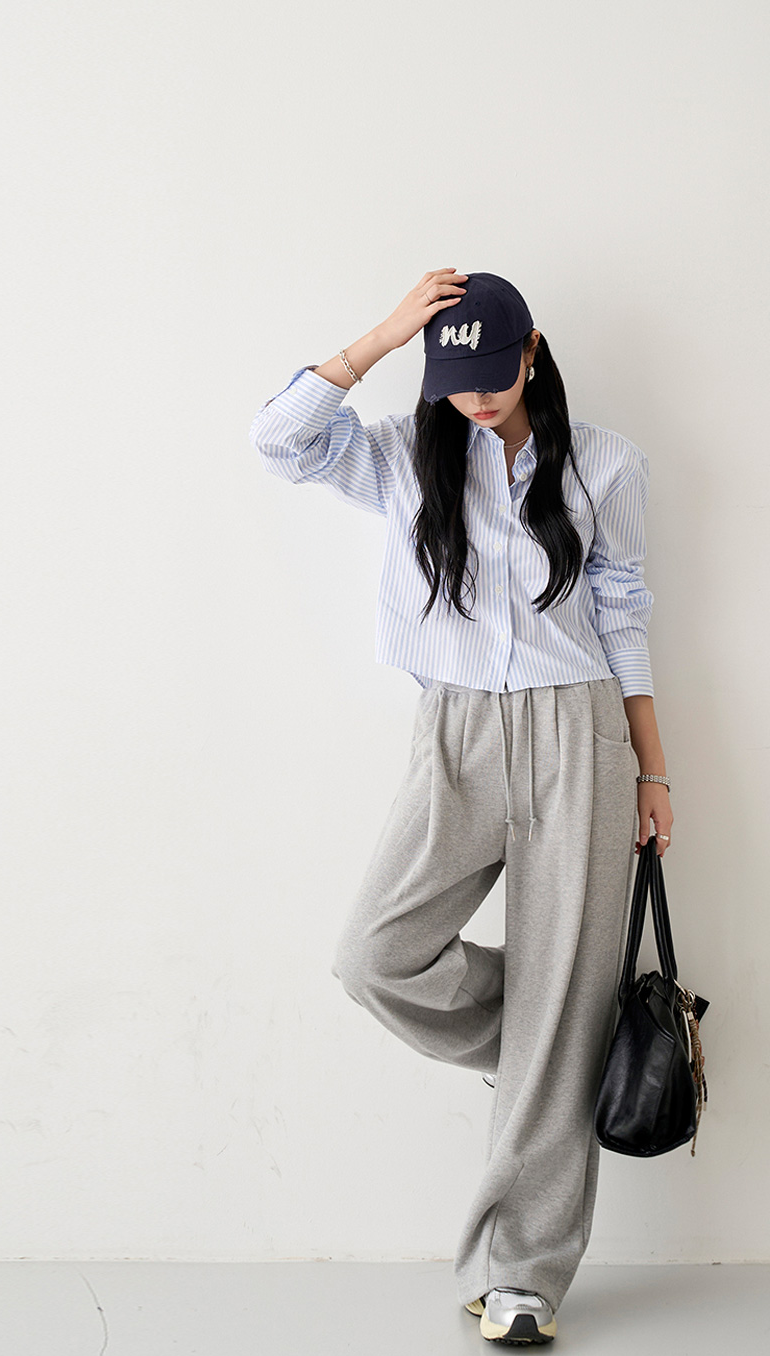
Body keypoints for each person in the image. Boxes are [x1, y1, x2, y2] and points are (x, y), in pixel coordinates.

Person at [247, 269, 673, 1346]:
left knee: (560, 1005)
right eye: (457, 376)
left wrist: (653, 773)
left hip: (580, 733)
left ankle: (521, 1278)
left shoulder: (606, 463)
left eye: (494, 371)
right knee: (374, 955)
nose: (477, 396)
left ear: (531, 352)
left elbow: (623, 613)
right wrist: (387, 335)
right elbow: (278, 442)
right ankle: (550, 1046)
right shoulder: (400, 454)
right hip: (456, 735)